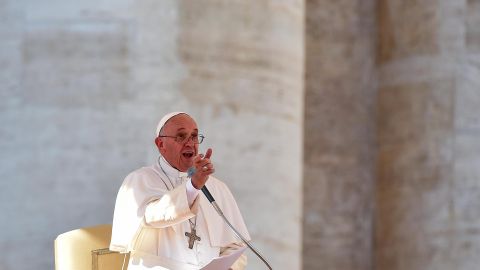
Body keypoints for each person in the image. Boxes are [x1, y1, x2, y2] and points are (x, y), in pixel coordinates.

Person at [110, 112, 250, 270]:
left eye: (194, 136)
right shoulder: (139, 180)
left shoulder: (218, 188)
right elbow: (153, 216)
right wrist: (193, 186)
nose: (190, 143)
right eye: (181, 136)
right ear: (160, 144)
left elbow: (236, 247)